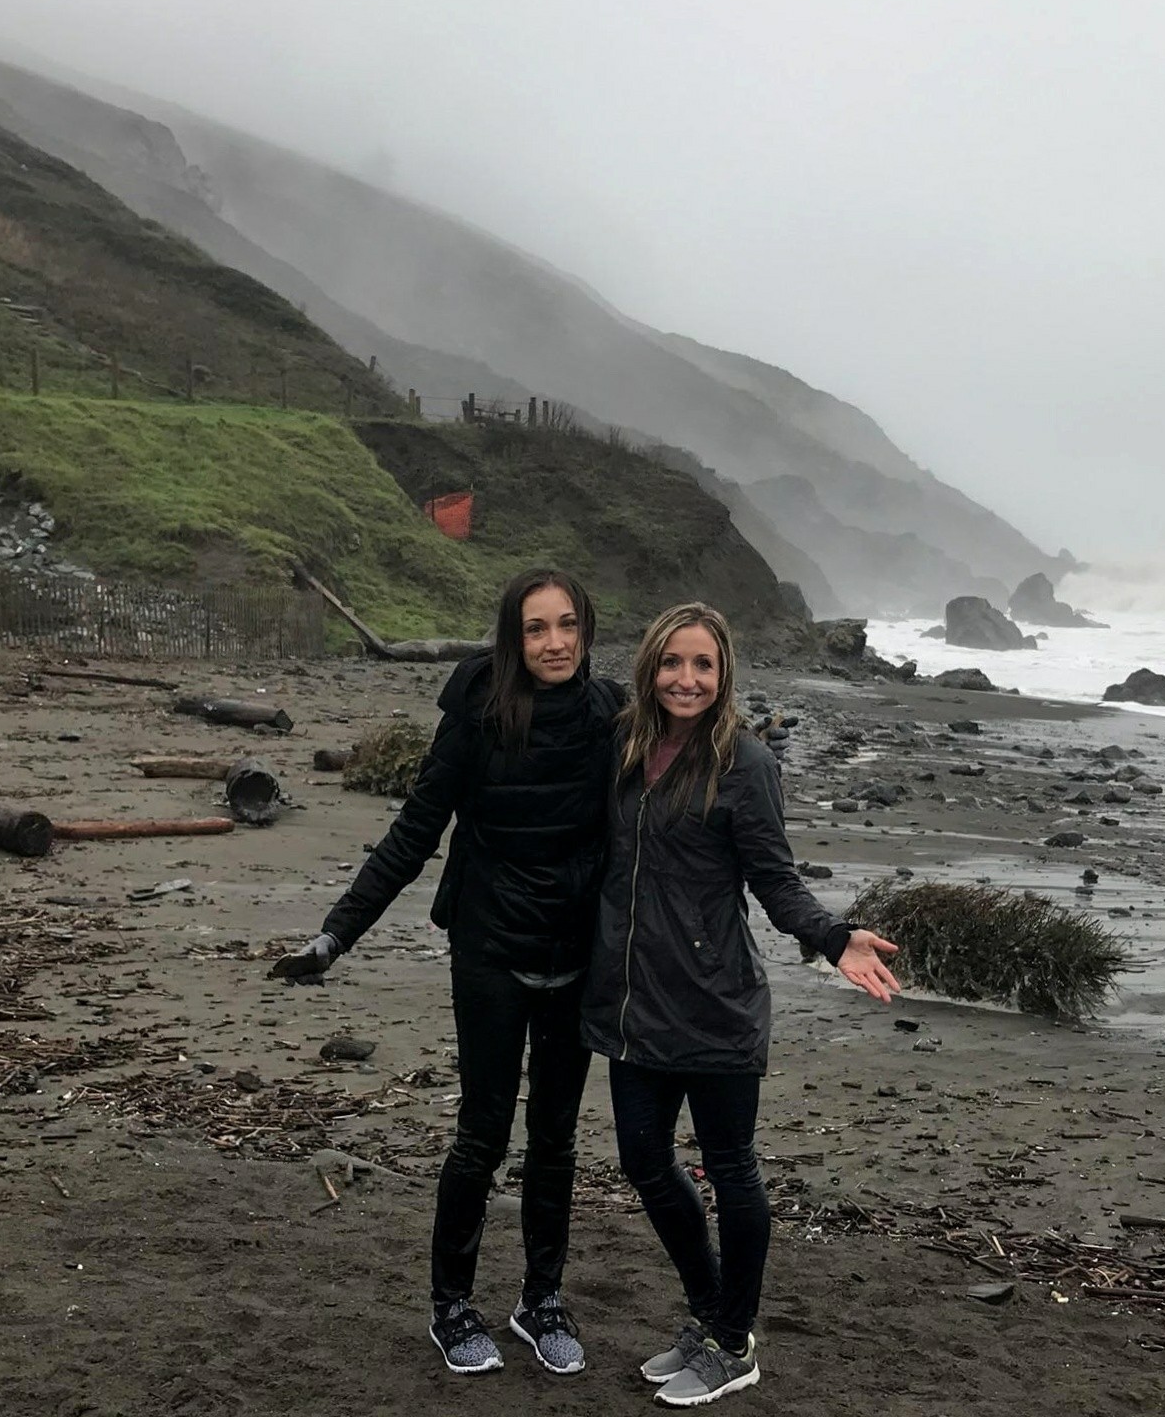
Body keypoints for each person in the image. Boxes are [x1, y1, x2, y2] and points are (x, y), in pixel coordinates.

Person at [270, 568, 623, 1379]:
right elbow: (416, 829)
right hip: (491, 945)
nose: (555, 642)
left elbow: (653, 831)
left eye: (567, 625)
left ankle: (541, 1301)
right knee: (483, 1133)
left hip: (576, 951)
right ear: (512, 637)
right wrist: (336, 935)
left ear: (587, 630)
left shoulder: (611, 719)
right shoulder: (477, 712)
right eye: (536, 629)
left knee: (558, 1139)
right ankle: (451, 1307)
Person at [581, 602, 901, 1408]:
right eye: (672, 663)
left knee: (732, 1171)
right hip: (632, 1003)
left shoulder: (744, 764)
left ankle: (733, 1340)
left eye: (703, 666)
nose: (686, 679)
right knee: (644, 1163)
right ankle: (712, 1316)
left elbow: (774, 878)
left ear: (723, 678)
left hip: (716, 1003)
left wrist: (836, 939)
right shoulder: (625, 748)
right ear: (651, 667)